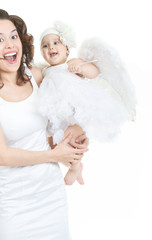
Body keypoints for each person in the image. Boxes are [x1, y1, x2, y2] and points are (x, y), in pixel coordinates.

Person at [0, 9, 89, 240]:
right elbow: (2, 155)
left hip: (52, 196)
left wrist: (75, 136)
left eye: (13, 36)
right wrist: (54, 156)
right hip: (15, 205)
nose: (10, 44)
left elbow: (61, 119)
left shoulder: (37, 76)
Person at [39, 22, 135, 185]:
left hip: (77, 114)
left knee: (72, 138)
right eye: (45, 46)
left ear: (67, 49)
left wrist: (81, 69)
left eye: (56, 43)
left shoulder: (71, 64)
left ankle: (75, 166)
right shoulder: (45, 71)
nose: (51, 48)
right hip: (57, 116)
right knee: (53, 145)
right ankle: (72, 165)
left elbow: (94, 73)